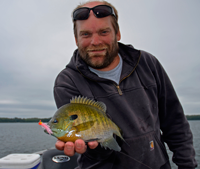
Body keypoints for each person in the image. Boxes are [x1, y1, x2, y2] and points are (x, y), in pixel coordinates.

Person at [53, 0, 197, 168]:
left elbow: (175, 121)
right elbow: (96, 152)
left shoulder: (147, 63)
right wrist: (95, 145)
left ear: (118, 33)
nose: (95, 42)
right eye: (85, 34)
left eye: (104, 31)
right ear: (76, 39)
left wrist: (187, 165)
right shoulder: (66, 82)